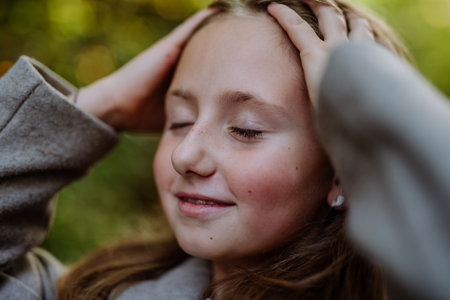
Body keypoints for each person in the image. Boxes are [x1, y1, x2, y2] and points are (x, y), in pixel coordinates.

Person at [0, 0, 449, 300]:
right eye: (178, 121)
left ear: (340, 166)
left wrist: (366, 102)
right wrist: (101, 104)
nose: (185, 156)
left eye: (246, 130)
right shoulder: (87, 291)